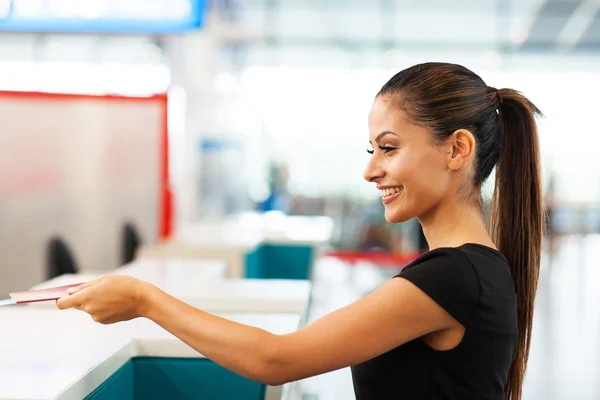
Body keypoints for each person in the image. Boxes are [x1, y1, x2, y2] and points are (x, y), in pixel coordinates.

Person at [57, 62, 544, 400]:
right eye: (370, 150)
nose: (371, 171)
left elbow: (275, 359)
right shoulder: (472, 269)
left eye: (389, 148)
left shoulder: (453, 277)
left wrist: (145, 301)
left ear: (458, 149)